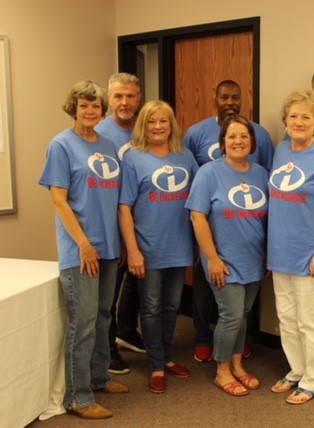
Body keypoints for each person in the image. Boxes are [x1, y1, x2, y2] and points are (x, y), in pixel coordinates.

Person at [39, 79, 129, 420]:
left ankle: (100, 376)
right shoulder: (61, 145)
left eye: (96, 106)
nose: (90, 111)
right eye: (84, 105)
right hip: (81, 249)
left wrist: (114, 242)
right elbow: (59, 201)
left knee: (104, 316)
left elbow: (111, 199)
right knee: (84, 321)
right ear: (72, 108)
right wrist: (84, 244)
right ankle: (78, 396)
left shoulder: (106, 144)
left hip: (107, 246)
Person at [184, 79, 274, 363]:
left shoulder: (260, 173)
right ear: (222, 142)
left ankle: (236, 364)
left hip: (253, 258)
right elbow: (197, 214)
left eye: (244, 137)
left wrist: (268, 255)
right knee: (231, 314)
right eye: (232, 137)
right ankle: (223, 368)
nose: (238, 141)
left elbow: (270, 215)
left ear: (253, 141)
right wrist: (211, 257)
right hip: (221, 255)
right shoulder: (208, 172)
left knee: (241, 314)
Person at [268, 89, 314, 404]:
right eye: (294, 116)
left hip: (312, 254)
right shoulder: (280, 150)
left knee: (310, 320)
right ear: (285, 121)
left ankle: (313, 379)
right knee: (286, 317)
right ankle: (296, 370)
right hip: (279, 252)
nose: (299, 122)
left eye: (307, 117)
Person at [119, 100, 199, 394]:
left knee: (171, 306)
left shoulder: (185, 156)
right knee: (150, 308)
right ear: (143, 125)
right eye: (151, 121)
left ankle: (165, 359)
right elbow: (124, 207)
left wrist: (199, 243)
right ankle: (155, 364)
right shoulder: (133, 158)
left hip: (179, 246)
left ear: (171, 124)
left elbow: (197, 203)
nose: (157, 127)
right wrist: (133, 250)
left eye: (163, 121)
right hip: (148, 248)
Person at [95, 72, 146, 376]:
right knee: (108, 292)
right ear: (109, 100)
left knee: (138, 281)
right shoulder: (99, 134)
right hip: (110, 224)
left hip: (144, 221)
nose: (124, 102)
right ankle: (107, 351)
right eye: (118, 96)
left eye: (130, 96)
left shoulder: (147, 127)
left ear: (139, 97)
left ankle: (126, 329)